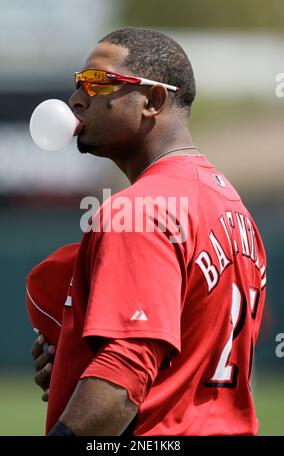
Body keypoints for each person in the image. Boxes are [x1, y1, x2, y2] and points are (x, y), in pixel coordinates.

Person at [31, 27, 266, 436]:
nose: (75, 99)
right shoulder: (232, 205)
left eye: (97, 82)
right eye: (77, 84)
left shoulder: (139, 210)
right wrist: (77, 357)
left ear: (153, 100)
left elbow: (124, 375)